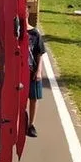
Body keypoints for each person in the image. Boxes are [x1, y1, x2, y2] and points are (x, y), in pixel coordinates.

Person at [27, 7, 45, 138]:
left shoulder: (35, 33)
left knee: (33, 98)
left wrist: (38, 71)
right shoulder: (16, 33)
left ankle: (31, 125)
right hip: (19, 72)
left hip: (32, 70)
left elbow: (39, 54)